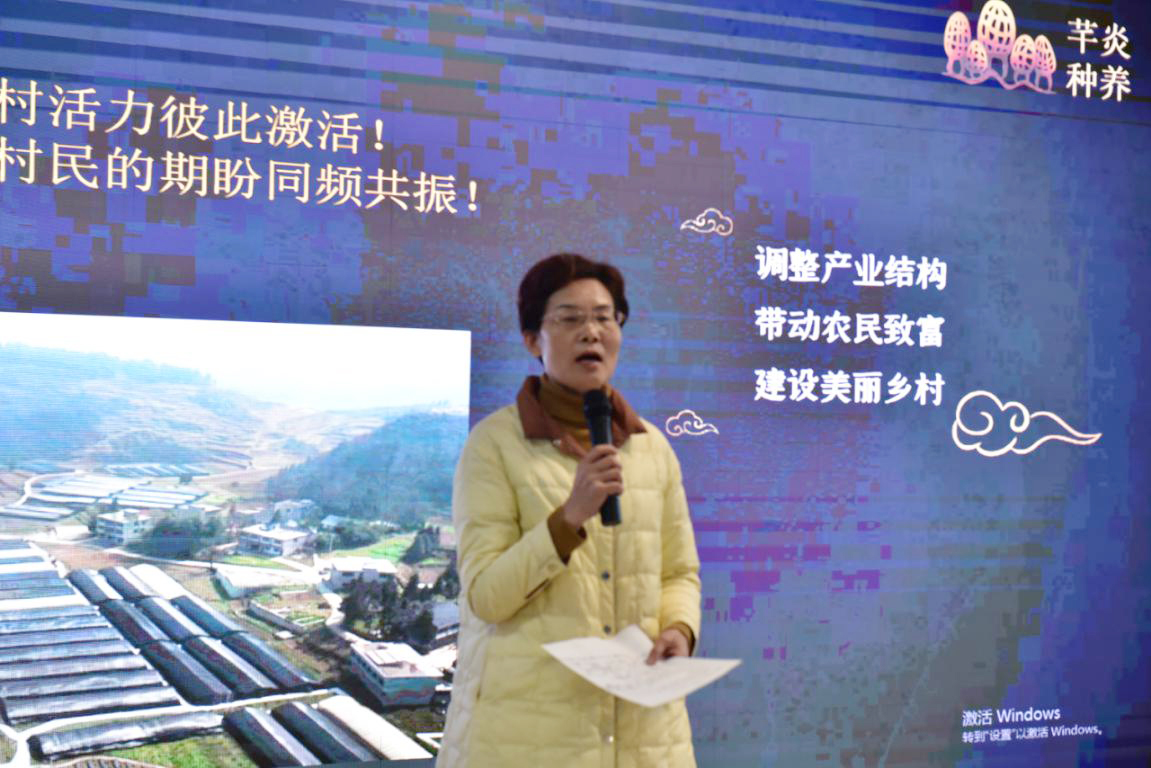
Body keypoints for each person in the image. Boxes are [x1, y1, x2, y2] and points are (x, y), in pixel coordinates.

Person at [437, 253, 702, 768]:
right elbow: (486, 596)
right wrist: (568, 519)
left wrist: (679, 629)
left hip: (644, 736)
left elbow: (679, 573)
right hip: (529, 738)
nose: (591, 332)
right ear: (533, 340)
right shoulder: (493, 446)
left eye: (605, 317)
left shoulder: (653, 448)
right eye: (570, 318)